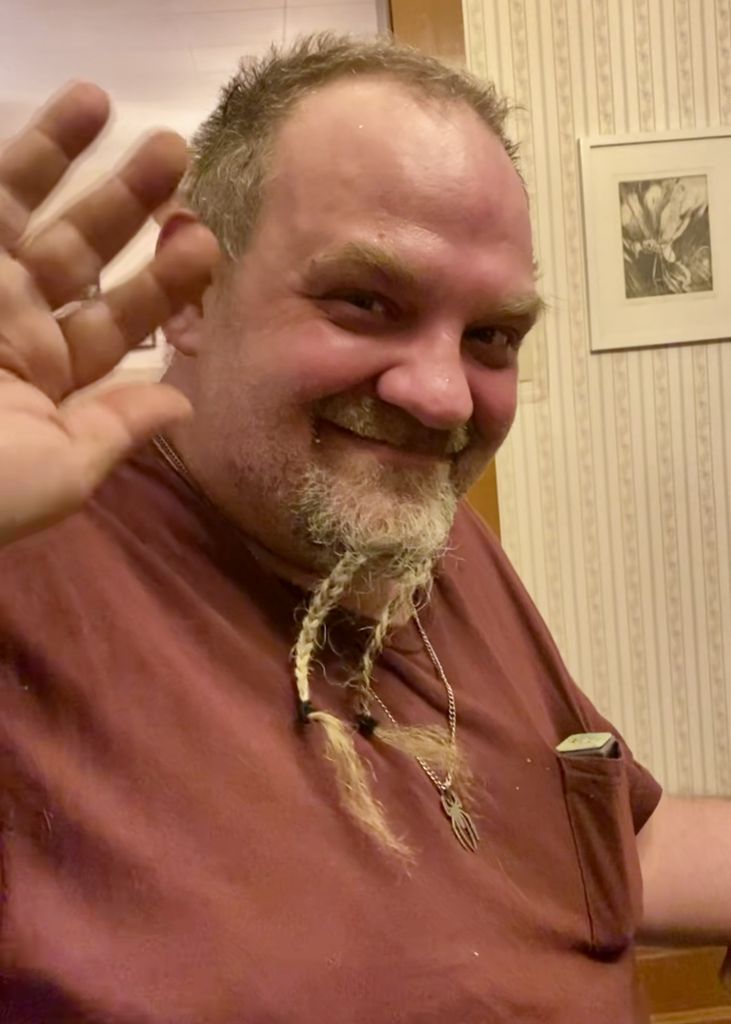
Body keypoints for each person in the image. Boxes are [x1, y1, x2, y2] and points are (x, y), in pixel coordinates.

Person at [0, 33, 728, 1024]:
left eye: (490, 336)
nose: (441, 397)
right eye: (364, 300)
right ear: (194, 291)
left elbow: (607, 852)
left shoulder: (425, 536)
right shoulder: (33, 575)